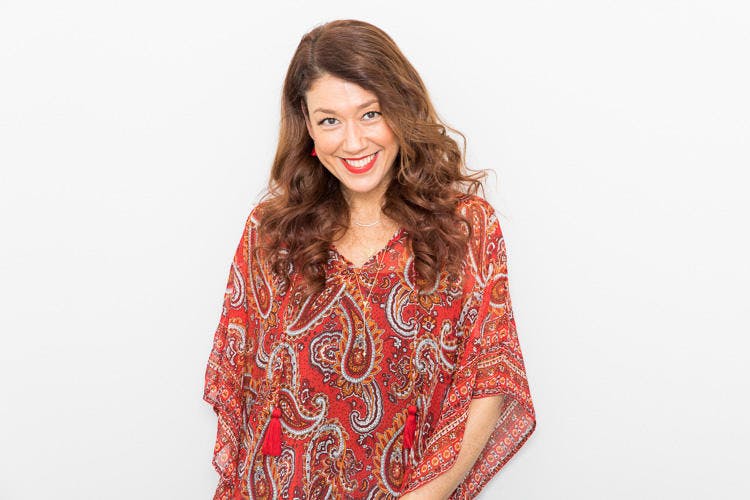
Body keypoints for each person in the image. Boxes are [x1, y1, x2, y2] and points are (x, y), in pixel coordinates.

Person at [203, 19, 536, 500]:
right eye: (330, 120)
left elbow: (489, 377)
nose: (354, 142)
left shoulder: (464, 226)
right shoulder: (271, 233)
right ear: (308, 127)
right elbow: (243, 388)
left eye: (370, 113)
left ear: (401, 110)